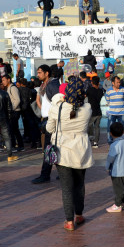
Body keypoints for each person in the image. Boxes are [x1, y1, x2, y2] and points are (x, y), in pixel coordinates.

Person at [46, 76, 93, 231]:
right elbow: (83, 103)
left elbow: (49, 129)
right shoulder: (87, 108)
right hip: (81, 150)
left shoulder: (57, 108)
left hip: (63, 151)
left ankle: (69, 221)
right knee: (80, 185)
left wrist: (59, 100)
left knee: (66, 187)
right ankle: (79, 214)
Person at [31, 65, 60, 184]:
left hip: (52, 120)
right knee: (51, 148)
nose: (38, 75)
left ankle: (46, 174)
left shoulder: (52, 85)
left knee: (49, 148)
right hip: (48, 119)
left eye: (40, 72)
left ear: (47, 73)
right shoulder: (44, 85)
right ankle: (52, 173)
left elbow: (58, 103)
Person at [106, 122, 124, 213]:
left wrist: (107, 167)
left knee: (118, 188)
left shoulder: (114, 145)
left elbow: (110, 158)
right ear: (123, 132)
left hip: (116, 171)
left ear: (111, 133)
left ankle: (117, 205)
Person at [2, 75, 24, 152]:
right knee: (14, 129)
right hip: (13, 111)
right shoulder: (8, 88)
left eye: (4, 80)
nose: (3, 82)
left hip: (15, 111)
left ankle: (18, 145)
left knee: (13, 129)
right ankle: (18, 145)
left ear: (8, 80)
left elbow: (17, 100)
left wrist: (11, 108)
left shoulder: (13, 88)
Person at [17, 78, 40, 149]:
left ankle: (31, 141)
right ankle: (35, 141)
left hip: (24, 110)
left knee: (28, 126)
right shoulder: (29, 90)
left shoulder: (19, 90)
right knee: (33, 126)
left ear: (21, 83)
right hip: (31, 109)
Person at [105, 76, 124, 144]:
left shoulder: (123, 90)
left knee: (122, 128)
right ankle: (110, 142)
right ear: (113, 83)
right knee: (110, 128)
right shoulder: (108, 91)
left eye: (119, 82)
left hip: (121, 112)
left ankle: (121, 142)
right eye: (117, 82)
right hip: (112, 113)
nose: (119, 84)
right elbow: (108, 101)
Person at [86, 76, 104, 148]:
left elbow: (84, 95)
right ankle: (96, 142)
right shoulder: (100, 90)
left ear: (92, 83)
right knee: (97, 127)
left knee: (88, 126)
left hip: (91, 111)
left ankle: (86, 140)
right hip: (98, 111)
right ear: (99, 83)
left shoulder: (89, 89)